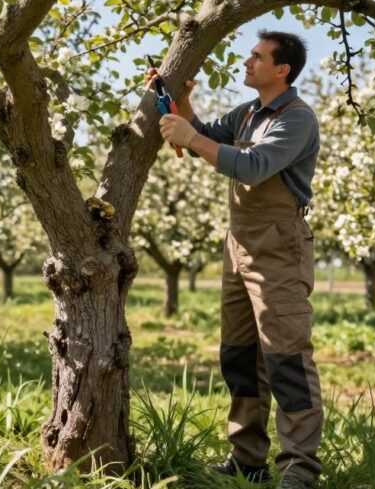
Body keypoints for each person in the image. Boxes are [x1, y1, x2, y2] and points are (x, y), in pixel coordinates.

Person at [152, 31, 322, 489]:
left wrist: (190, 135)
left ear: (282, 69)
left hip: (279, 245)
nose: (247, 62)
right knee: (239, 356)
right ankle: (247, 459)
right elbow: (205, 136)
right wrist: (180, 105)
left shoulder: (296, 118)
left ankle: (299, 471)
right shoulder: (248, 113)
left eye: (256, 56)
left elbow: (251, 166)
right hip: (240, 242)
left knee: (286, 359)